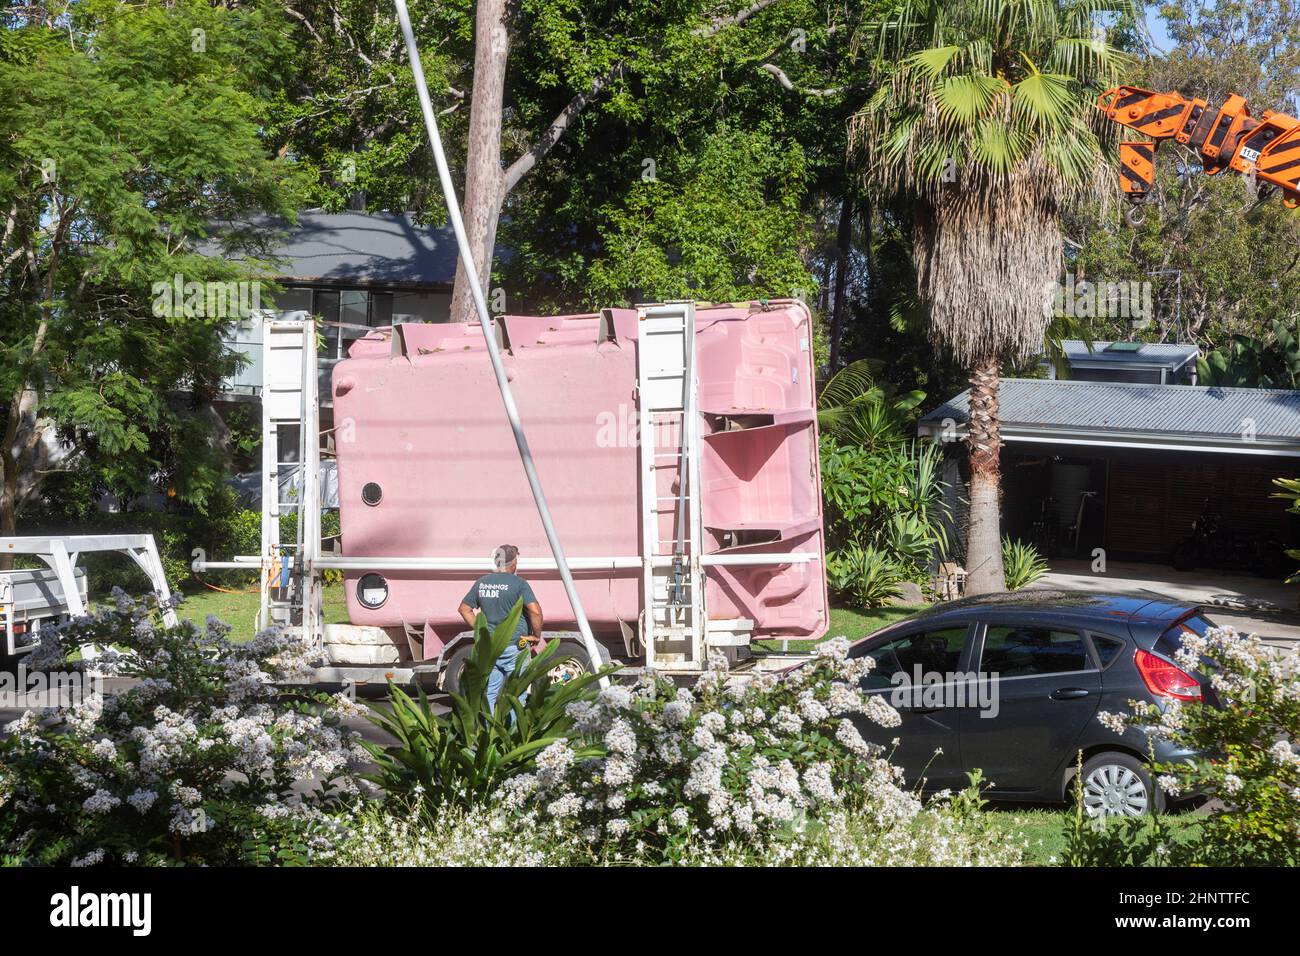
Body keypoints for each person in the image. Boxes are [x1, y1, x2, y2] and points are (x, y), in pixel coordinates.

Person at [457, 544, 545, 711]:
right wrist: (536, 635)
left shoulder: (482, 582)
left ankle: (490, 732)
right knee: (516, 694)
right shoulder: (519, 584)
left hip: (489, 648)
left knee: (489, 692)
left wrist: (481, 629)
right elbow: (536, 612)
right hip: (514, 647)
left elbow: (464, 609)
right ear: (513, 562)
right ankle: (512, 734)